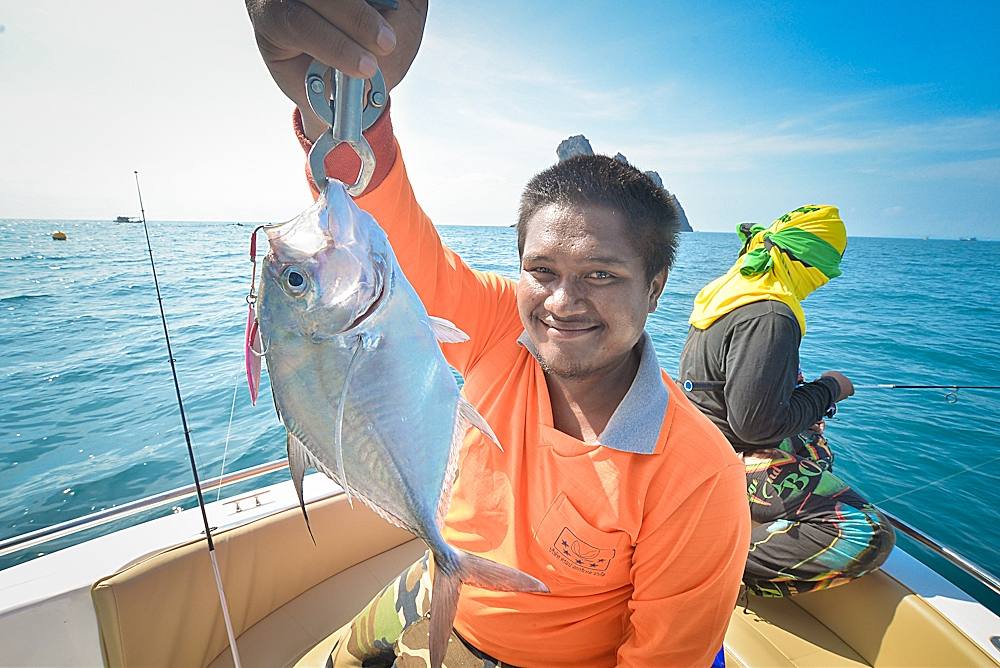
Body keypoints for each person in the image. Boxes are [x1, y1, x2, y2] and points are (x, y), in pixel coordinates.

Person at [246, 1, 749, 666]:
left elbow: (661, 657)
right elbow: (392, 235)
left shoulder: (698, 473)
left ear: (653, 288)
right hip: (431, 587)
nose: (563, 303)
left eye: (601, 274)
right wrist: (347, 97)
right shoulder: (497, 323)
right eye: (542, 270)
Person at [678, 207, 896, 597]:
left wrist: (798, 398)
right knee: (867, 532)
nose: (825, 280)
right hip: (718, 459)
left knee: (814, 445)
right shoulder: (772, 314)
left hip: (695, 443)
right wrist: (829, 388)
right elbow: (754, 427)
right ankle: (709, 574)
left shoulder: (733, 292)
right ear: (808, 262)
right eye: (826, 269)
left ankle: (742, 532)